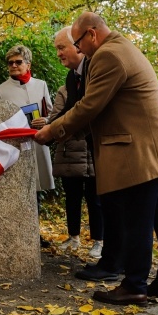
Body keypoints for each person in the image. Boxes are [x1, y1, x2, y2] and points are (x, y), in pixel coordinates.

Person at [34, 12, 158, 306]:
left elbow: (90, 106)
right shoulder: (124, 46)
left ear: (91, 34)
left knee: (136, 220)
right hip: (156, 146)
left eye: (77, 42)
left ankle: (135, 285)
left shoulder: (108, 55)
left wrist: (52, 130)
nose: (79, 49)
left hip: (138, 150)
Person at [51, 27, 103, 258]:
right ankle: (74, 237)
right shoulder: (70, 78)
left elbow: (87, 110)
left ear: (79, 46)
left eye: (62, 47)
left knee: (96, 199)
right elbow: (61, 114)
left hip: (95, 152)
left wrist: (53, 130)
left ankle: (100, 242)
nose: (59, 53)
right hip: (71, 152)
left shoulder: (97, 68)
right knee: (72, 197)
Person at [0, 45, 55, 247]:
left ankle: (35, 233)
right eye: (10, 62)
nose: (13, 65)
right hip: (17, 145)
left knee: (37, 188)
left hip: (38, 142)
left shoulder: (41, 85)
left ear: (28, 64)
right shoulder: (1, 90)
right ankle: (19, 233)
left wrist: (46, 120)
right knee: (20, 188)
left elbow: (51, 111)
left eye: (18, 62)